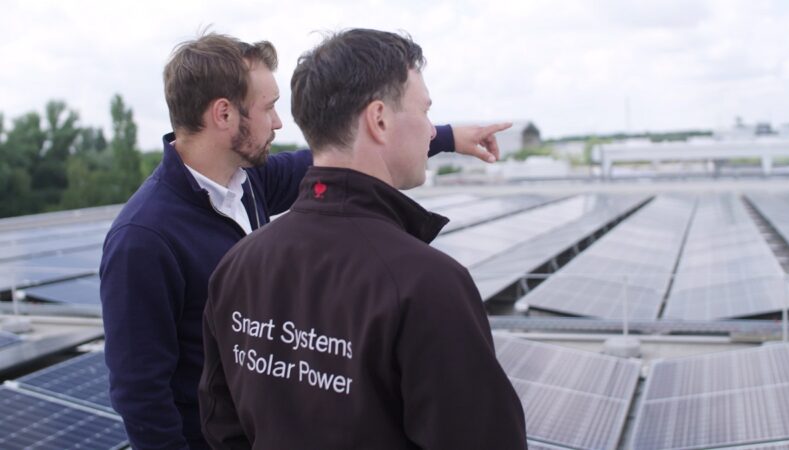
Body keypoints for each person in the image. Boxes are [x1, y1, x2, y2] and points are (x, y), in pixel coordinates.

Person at [99, 31, 513, 450]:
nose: (279, 122)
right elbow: (140, 395)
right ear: (224, 115)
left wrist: (443, 136)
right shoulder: (143, 238)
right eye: (268, 107)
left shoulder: (246, 182)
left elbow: (335, 156)